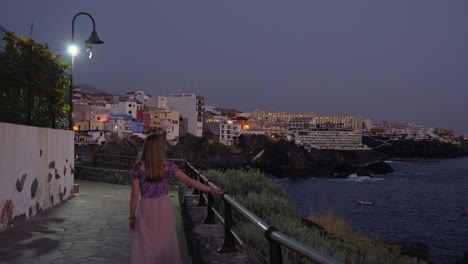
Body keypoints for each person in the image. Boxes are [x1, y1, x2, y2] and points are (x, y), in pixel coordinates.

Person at [129, 132, 224, 264]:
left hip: (146, 207)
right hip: (163, 207)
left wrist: (132, 216)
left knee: (147, 243)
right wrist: (210, 189)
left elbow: (134, 194)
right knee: (165, 242)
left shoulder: (137, 168)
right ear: (159, 148)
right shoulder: (168, 166)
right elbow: (189, 181)